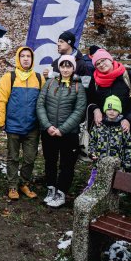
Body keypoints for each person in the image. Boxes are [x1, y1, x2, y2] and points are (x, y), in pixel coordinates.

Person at [36, 55, 87, 208]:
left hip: (68, 134)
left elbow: (79, 111)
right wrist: (47, 125)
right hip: (49, 131)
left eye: (68, 66)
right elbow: (40, 105)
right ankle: (51, 188)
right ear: (59, 67)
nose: (65, 69)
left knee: (67, 164)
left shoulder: (78, 86)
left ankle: (61, 192)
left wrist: (62, 129)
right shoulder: (49, 83)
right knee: (50, 161)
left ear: (73, 68)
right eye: (62, 66)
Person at [0, 46, 45, 200]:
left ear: (32, 59)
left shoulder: (38, 78)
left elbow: (44, 102)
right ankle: (12, 186)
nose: (25, 59)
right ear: (18, 58)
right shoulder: (9, 77)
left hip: (33, 126)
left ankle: (24, 183)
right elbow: (1, 100)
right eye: (22, 56)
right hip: (13, 125)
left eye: (28, 56)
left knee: (30, 158)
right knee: (13, 157)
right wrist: (0, 121)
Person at [87, 49, 131, 162]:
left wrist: (129, 119)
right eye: (97, 63)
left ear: (110, 59)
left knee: (124, 164)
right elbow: (90, 100)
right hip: (103, 132)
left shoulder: (128, 76)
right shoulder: (95, 80)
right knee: (103, 163)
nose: (101, 64)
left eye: (103, 60)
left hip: (125, 129)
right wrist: (95, 109)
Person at [88, 95, 131, 171]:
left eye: (115, 109)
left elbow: (128, 147)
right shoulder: (99, 126)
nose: (112, 112)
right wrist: (91, 153)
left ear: (119, 111)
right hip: (99, 165)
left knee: (116, 182)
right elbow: (92, 142)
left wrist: (127, 165)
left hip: (117, 166)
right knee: (98, 182)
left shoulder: (123, 128)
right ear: (105, 110)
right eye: (109, 109)